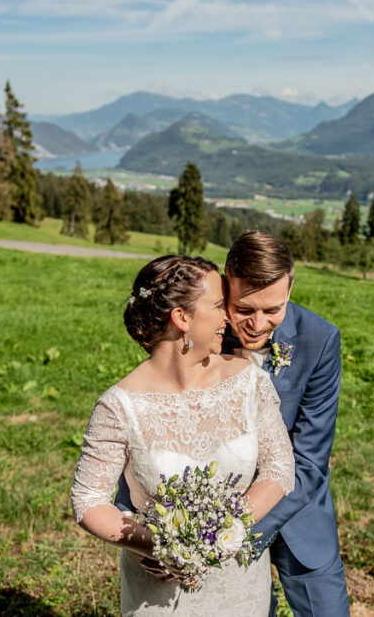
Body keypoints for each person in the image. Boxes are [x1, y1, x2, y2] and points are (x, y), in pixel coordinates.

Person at [71, 255, 295, 616]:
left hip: (240, 586)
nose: (228, 317)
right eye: (219, 306)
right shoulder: (119, 407)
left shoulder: (249, 382)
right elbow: (88, 500)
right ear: (182, 318)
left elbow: (279, 468)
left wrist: (227, 532)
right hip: (159, 593)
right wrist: (160, 547)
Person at [222, 231, 351, 617]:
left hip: (299, 512)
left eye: (272, 310)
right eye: (244, 309)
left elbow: (310, 461)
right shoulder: (203, 332)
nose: (258, 324)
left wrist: (243, 530)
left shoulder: (320, 339)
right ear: (226, 286)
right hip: (220, 507)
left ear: (290, 289)